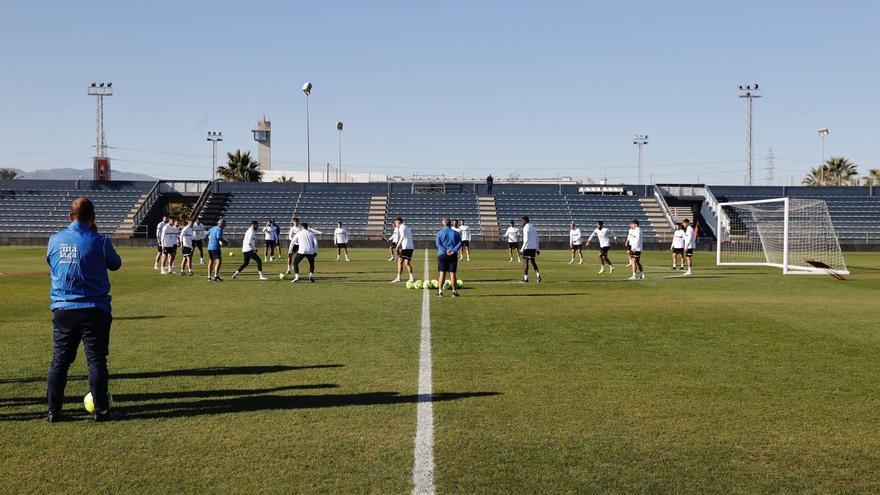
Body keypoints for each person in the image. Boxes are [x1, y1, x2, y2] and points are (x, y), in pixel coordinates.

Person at [46, 197, 124, 422]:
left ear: (71, 216)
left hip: (63, 308)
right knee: (96, 361)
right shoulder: (100, 241)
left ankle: (54, 410)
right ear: (92, 218)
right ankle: (101, 411)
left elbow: (51, 262)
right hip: (94, 309)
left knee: (59, 360)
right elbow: (115, 264)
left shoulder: (54, 240)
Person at [435, 218, 462, 297]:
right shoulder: (455, 233)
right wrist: (453, 250)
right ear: (451, 223)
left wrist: (445, 251)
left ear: (443, 223)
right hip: (453, 255)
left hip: (442, 255)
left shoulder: (440, 233)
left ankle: (440, 292)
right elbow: (460, 243)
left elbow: (438, 244)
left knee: (442, 273)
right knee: (453, 273)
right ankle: (454, 292)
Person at [391, 217, 415, 283]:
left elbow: (402, 236)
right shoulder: (405, 227)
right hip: (410, 247)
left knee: (400, 261)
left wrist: (397, 246)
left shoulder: (402, 227)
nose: (395, 223)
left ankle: (399, 278)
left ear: (398, 222)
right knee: (407, 263)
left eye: (395, 222)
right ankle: (411, 278)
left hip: (406, 248)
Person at [520, 216, 541, 283]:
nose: (522, 223)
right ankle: (538, 275)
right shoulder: (533, 227)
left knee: (526, 262)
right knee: (533, 262)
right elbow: (537, 239)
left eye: (523, 221)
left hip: (527, 247)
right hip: (533, 247)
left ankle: (526, 278)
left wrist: (521, 249)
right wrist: (537, 249)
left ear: (525, 221)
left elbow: (526, 239)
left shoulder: (525, 228)